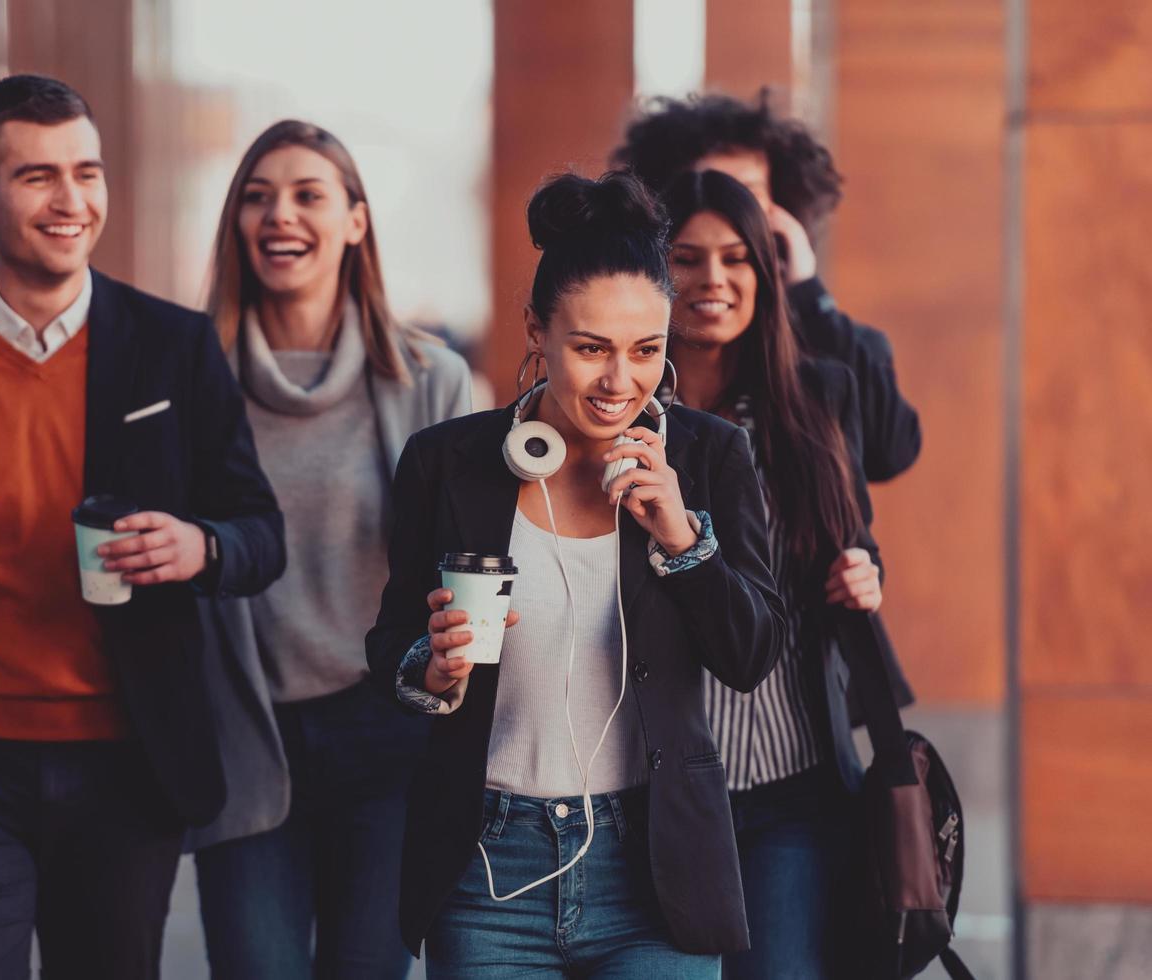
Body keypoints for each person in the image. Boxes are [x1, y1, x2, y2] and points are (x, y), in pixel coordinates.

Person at [0, 74, 284, 980]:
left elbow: (259, 531)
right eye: (38, 177)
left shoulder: (174, 347)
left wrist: (202, 547)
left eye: (88, 172)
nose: (72, 201)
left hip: (127, 764)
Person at [367, 171, 785, 979]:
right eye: (590, 348)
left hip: (655, 872)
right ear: (536, 330)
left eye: (646, 351)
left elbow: (752, 654)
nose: (619, 382)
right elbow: (390, 643)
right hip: (489, 870)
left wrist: (681, 536)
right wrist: (432, 664)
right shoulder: (445, 463)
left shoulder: (708, 457)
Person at [187, 119, 472, 980]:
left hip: (387, 732)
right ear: (237, 223)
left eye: (309, 194)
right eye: (258, 195)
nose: (282, 215)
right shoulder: (188, 377)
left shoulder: (432, 379)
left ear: (355, 220)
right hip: (244, 733)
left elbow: (478, 556)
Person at [660, 168, 893, 979]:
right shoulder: (620, 409)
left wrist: (867, 573)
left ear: (766, 272)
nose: (712, 280)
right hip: (661, 788)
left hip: (795, 782)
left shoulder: (818, 397)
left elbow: (853, 540)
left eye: (735, 258)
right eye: (685, 258)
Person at [614, 89, 922, 484]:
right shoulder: (626, 351)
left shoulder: (827, 350)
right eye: (711, 187)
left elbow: (889, 452)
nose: (725, 207)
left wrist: (807, 292)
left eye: (747, 194)